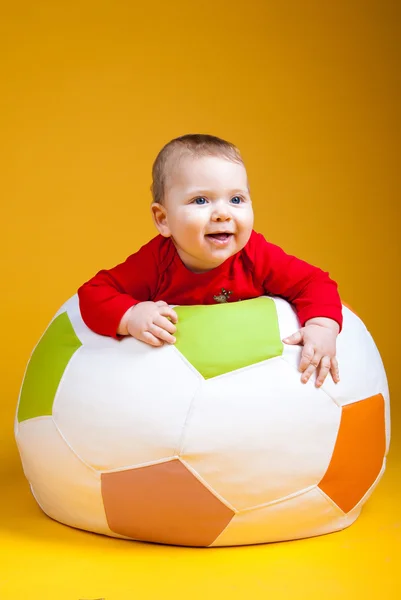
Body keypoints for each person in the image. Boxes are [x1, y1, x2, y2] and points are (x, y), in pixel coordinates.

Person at [78, 134, 342, 388]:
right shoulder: (156, 262)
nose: (222, 214)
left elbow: (314, 282)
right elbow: (93, 293)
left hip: (254, 379)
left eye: (236, 199)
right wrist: (131, 315)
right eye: (200, 200)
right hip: (170, 385)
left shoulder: (256, 255)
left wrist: (321, 327)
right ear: (163, 219)